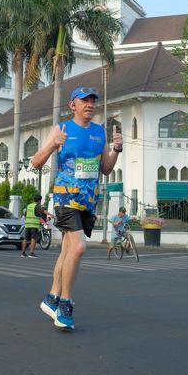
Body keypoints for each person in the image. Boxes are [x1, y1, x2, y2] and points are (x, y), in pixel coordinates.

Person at [32, 86, 123, 330]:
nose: (90, 105)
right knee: (79, 247)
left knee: (67, 250)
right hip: (65, 198)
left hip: (88, 200)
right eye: (85, 101)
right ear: (73, 105)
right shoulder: (61, 129)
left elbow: (106, 169)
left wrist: (116, 150)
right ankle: (65, 303)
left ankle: (51, 298)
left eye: (93, 101)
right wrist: (52, 145)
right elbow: (36, 162)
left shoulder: (99, 132)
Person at [21, 193, 54, 258]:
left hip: (27, 224)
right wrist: (51, 215)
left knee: (25, 239)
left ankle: (23, 253)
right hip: (34, 225)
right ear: (39, 200)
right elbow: (43, 211)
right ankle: (31, 253)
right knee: (33, 238)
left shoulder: (29, 206)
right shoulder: (37, 206)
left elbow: (25, 214)